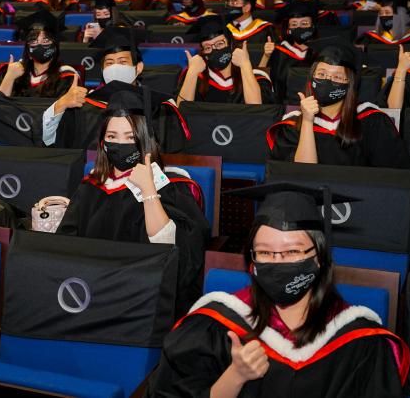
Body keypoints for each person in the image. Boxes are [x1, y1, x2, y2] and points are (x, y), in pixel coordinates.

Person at [147, 182, 410, 397]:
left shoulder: (360, 341)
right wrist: (235, 377)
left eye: (292, 251)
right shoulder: (216, 325)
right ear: (252, 261)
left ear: (319, 257)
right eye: (264, 253)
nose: (277, 262)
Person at [57, 86, 209, 316]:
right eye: (112, 137)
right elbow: (66, 246)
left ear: (145, 140)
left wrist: (149, 191)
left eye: (130, 137)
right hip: (90, 293)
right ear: (102, 142)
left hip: (141, 299)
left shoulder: (173, 188)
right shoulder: (91, 187)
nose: (120, 144)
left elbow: (173, 257)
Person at [268, 37, 410, 168]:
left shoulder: (371, 120)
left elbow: (393, 175)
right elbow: (299, 174)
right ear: (311, 78)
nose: (328, 80)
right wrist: (307, 121)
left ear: (350, 84)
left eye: (337, 77)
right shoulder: (293, 124)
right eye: (321, 74)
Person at [49, 27, 191, 150]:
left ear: (138, 68)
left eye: (122, 62)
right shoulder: (85, 106)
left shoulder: (160, 108)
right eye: (109, 63)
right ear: (103, 70)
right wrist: (60, 105)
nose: (115, 67)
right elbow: (57, 144)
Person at [178, 16, 271, 105]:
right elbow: (181, 108)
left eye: (220, 44)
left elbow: (257, 108)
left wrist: (245, 65)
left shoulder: (255, 76)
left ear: (231, 45)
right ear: (204, 54)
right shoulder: (197, 76)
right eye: (207, 47)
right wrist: (192, 73)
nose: (215, 50)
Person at [0, 10, 81, 99]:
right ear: (27, 50)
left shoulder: (65, 76)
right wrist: (9, 77)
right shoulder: (14, 71)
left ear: (55, 47)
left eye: (45, 41)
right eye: (34, 42)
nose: (39, 46)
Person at [263, 0, 318, 104]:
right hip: (283, 106)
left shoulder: (321, 52)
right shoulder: (279, 51)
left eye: (304, 23)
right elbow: (263, 81)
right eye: (294, 24)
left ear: (313, 26)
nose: (299, 27)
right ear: (288, 29)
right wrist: (266, 56)